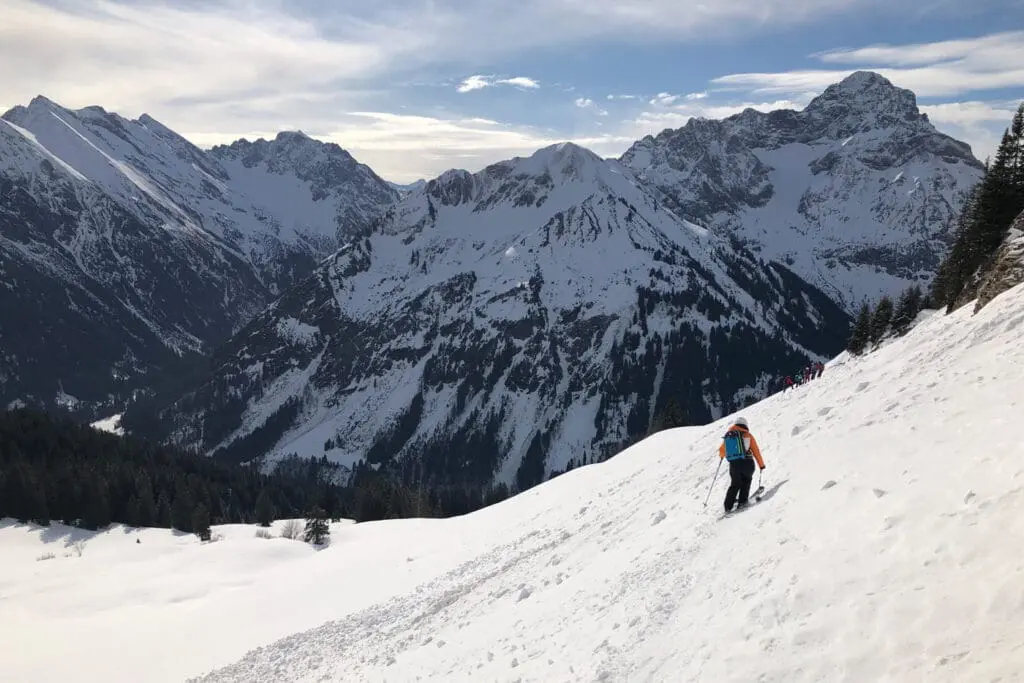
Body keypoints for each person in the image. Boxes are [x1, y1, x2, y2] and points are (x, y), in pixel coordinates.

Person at [718, 416, 766, 512]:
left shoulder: (729, 436)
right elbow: (756, 451)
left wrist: (723, 456)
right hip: (747, 463)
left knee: (735, 484)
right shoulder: (748, 435)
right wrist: (761, 465)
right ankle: (742, 502)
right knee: (746, 480)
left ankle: (728, 506)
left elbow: (721, 451)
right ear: (745, 425)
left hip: (734, 465)